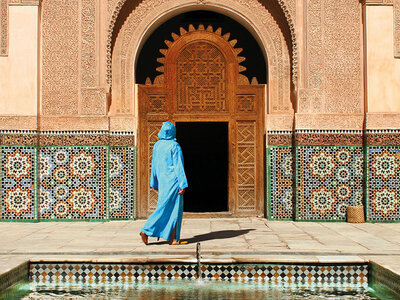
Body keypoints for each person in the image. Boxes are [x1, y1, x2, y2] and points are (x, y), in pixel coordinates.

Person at [140, 122, 188, 245]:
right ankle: (146, 230)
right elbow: (178, 166)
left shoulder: (157, 145)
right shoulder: (174, 146)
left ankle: (172, 239)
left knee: (165, 207)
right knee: (173, 209)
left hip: (163, 181)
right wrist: (182, 184)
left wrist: (153, 181)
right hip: (173, 182)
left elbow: (154, 165)